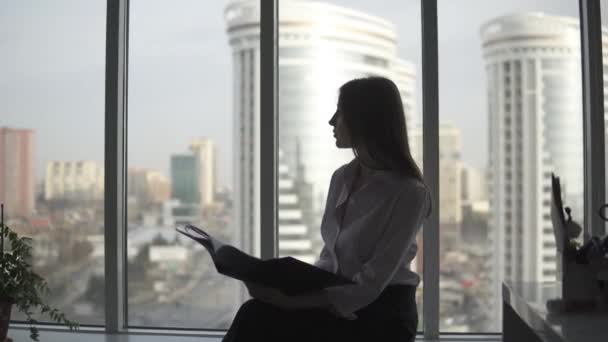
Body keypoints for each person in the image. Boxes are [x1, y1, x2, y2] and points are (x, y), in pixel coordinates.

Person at [222, 76, 431, 342]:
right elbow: (330, 257)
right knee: (255, 312)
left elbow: (372, 282)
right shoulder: (341, 178)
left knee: (258, 318)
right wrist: (285, 284)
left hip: (382, 314)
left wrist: (291, 303)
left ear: (365, 120)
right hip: (336, 298)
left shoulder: (409, 192)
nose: (332, 122)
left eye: (340, 113)